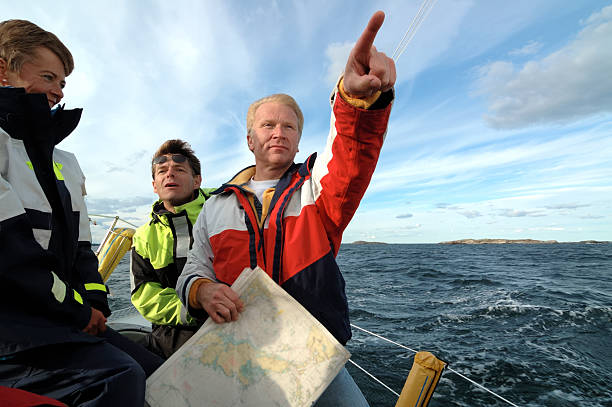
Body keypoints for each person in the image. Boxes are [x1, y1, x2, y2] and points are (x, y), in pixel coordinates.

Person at [177, 11, 395, 406]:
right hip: (236, 349)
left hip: (311, 353)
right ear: (249, 140)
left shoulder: (317, 190)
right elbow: (194, 270)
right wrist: (202, 290)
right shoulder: (215, 206)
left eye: (289, 127)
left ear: (298, 142)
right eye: (267, 125)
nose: (278, 132)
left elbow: (352, 155)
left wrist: (358, 103)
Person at [0, 19, 163, 406]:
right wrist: (77, 311)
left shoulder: (65, 163)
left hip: (56, 320)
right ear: (3, 70)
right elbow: (12, 255)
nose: (58, 91)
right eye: (48, 76)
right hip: (13, 329)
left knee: (158, 372)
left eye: (62, 83)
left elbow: (83, 251)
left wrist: (96, 306)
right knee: (118, 377)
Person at [130, 139, 216, 358]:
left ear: (197, 181)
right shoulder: (142, 237)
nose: (169, 174)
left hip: (233, 323)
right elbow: (143, 295)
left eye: (179, 169)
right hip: (172, 340)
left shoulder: (226, 208)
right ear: (154, 185)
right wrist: (194, 308)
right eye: (162, 171)